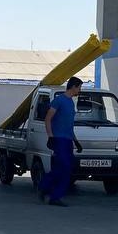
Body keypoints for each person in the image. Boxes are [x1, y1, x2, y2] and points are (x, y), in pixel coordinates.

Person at [38, 76, 84, 207]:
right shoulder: (59, 100)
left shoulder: (71, 103)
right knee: (65, 168)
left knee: (63, 169)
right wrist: (51, 136)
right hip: (59, 140)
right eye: (79, 87)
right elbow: (48, 119)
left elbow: (69, 125)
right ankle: (53, 195)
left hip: (68, 140)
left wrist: (76, 141)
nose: (80, 90)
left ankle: (45, 187)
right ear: (73, 87)